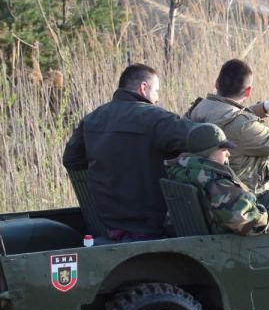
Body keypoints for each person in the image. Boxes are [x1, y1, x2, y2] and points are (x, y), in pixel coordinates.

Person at [63, 63, 196, 241]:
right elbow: (201, 138)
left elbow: (71, 160)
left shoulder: (92, 119)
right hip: (151, 225)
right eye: (156, 91)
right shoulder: (157, 118)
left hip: (109, 224)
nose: (157, 98)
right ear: (144, 88)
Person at [187, 58, 269, 194]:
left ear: (217, 83)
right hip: (248, 197)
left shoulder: (197, 109)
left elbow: (228, 119)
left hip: (212, 190)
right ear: (247, 92)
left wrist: (264, 107)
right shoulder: (242, 126)